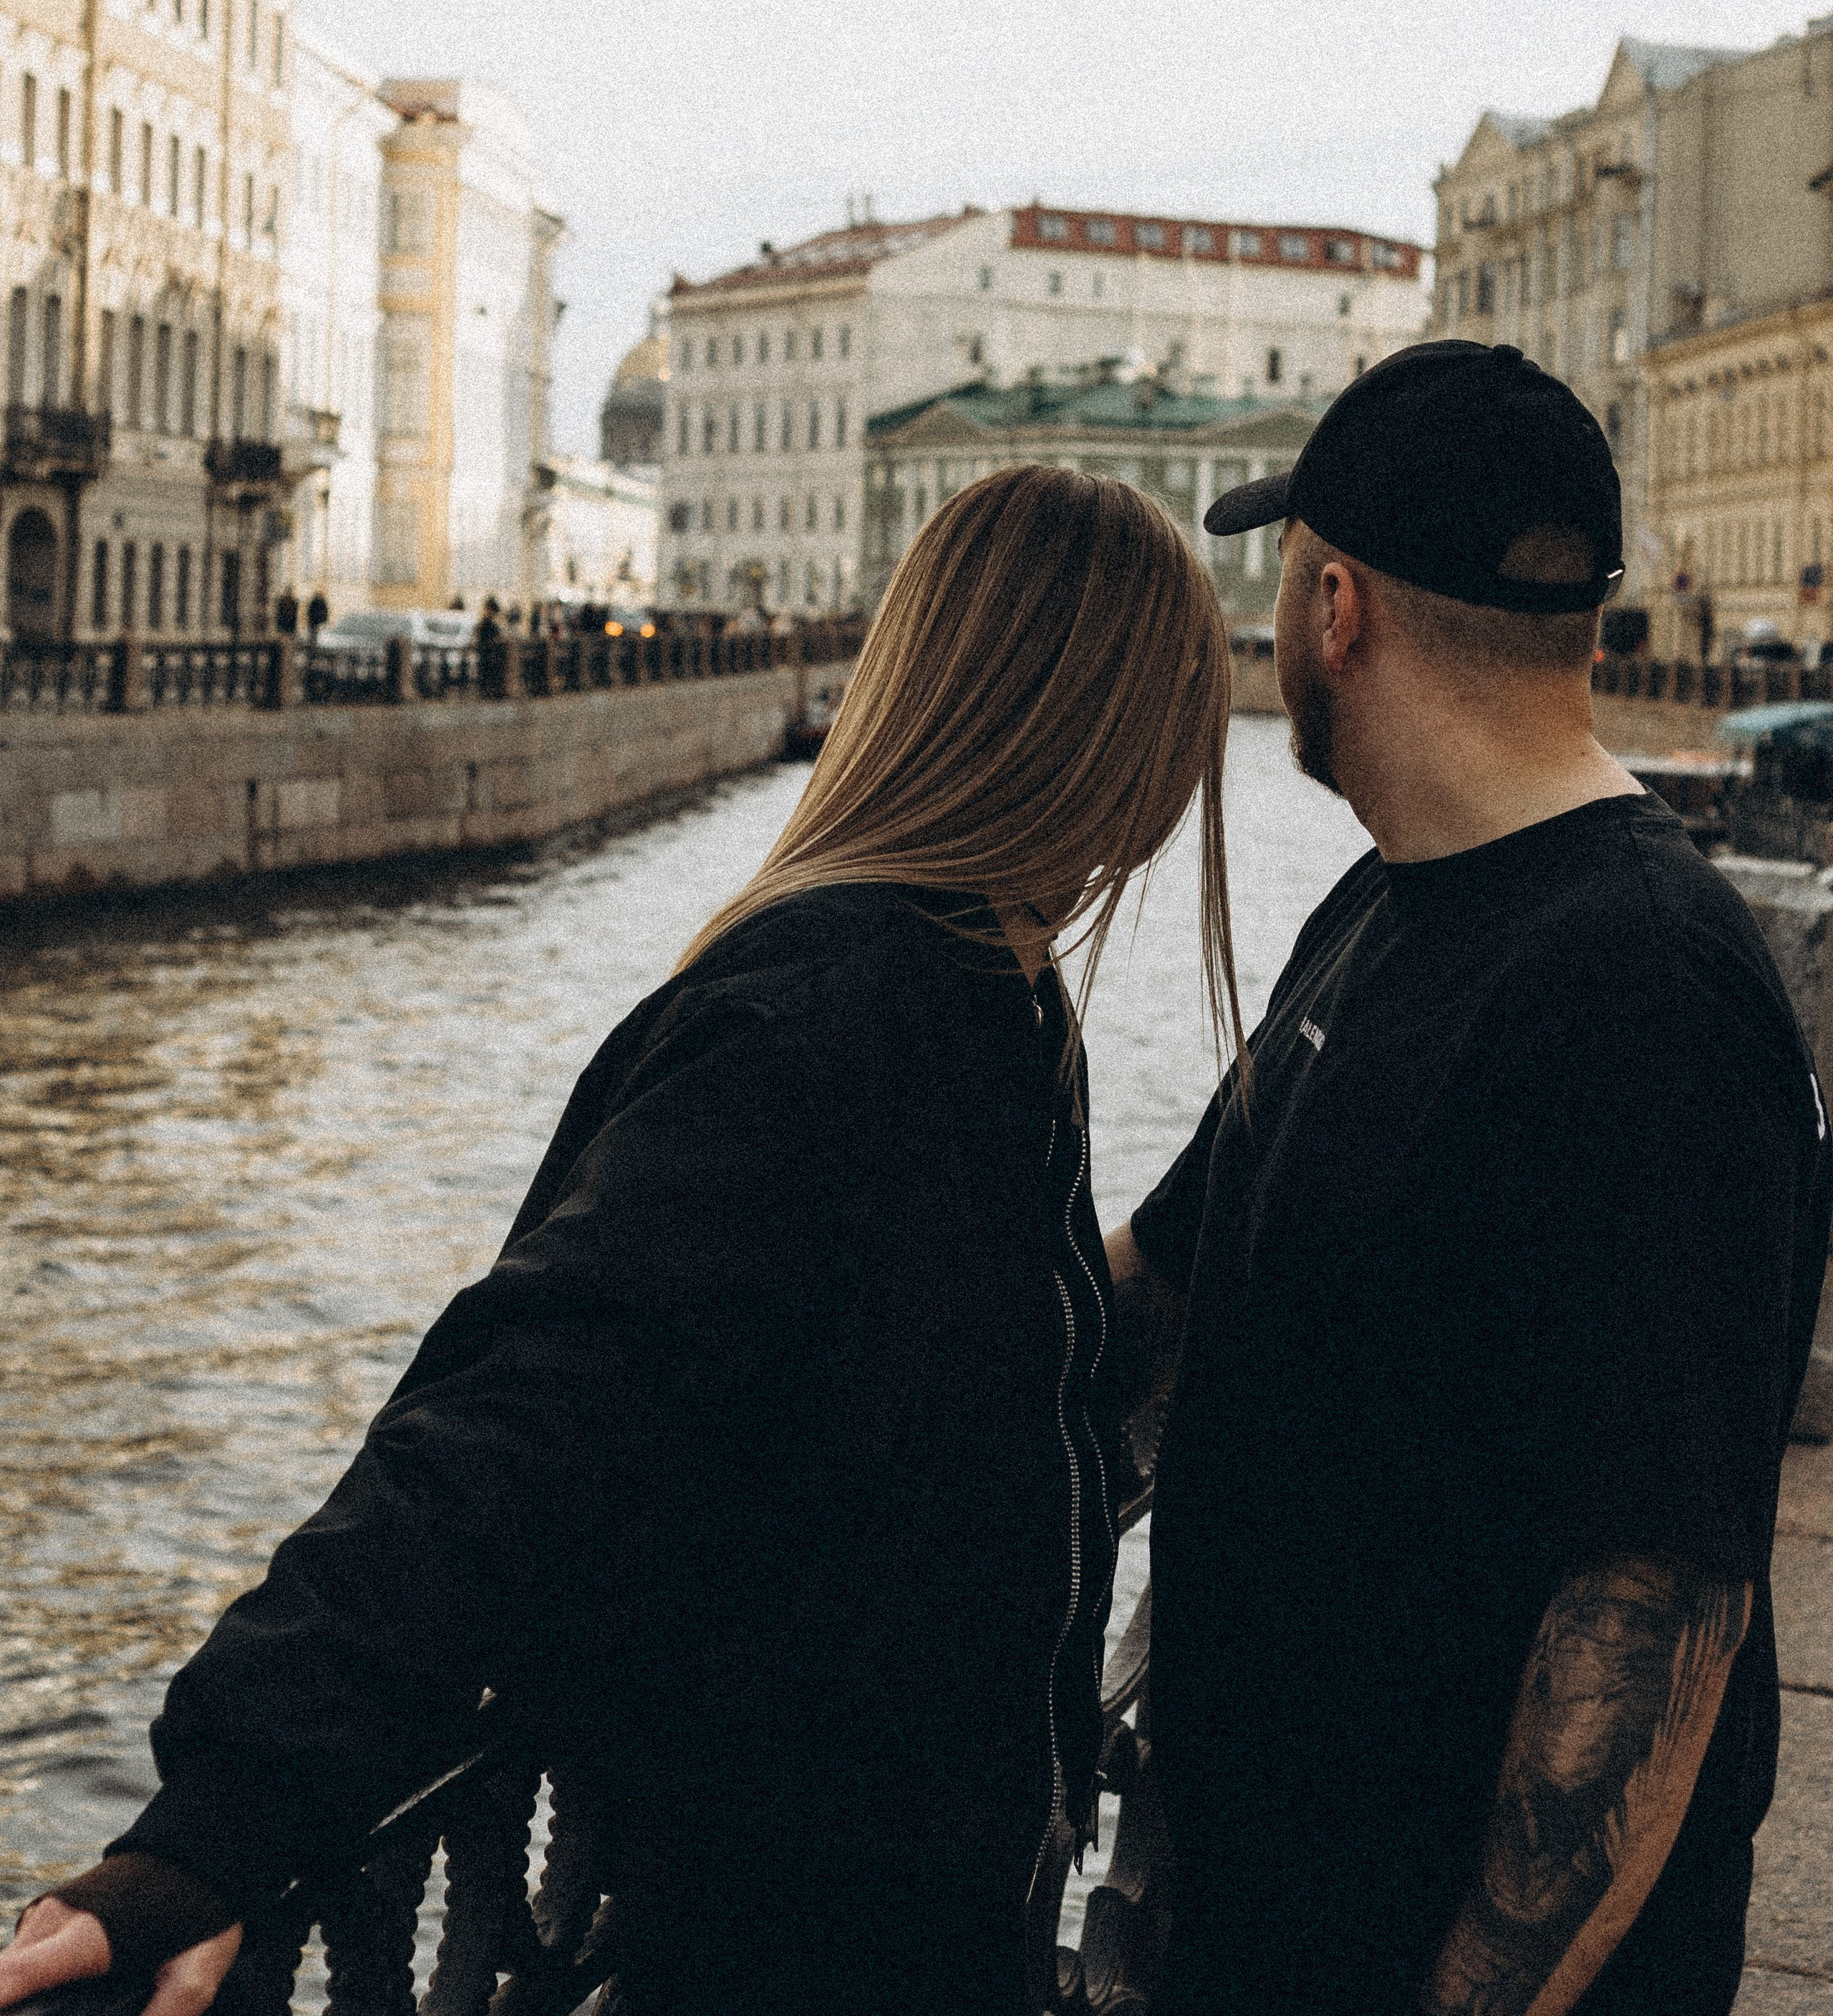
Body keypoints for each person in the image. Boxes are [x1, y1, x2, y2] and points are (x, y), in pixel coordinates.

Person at [0, 465, 1247, 2016]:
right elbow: (512, 1426)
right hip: (784, 1942)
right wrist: (216, 1829)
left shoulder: (987, 1002)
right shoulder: (833, 1021)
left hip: (903, 1919)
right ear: (1112, 740)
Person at [1107, 341, 1832, 2016]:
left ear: (1334, 608)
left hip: (1416, 1960)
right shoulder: (1381, 911)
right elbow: (1165, 1276)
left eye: (1284, 576)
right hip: (1265, 1920)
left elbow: (1650, 1603)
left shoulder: (1646, 990)